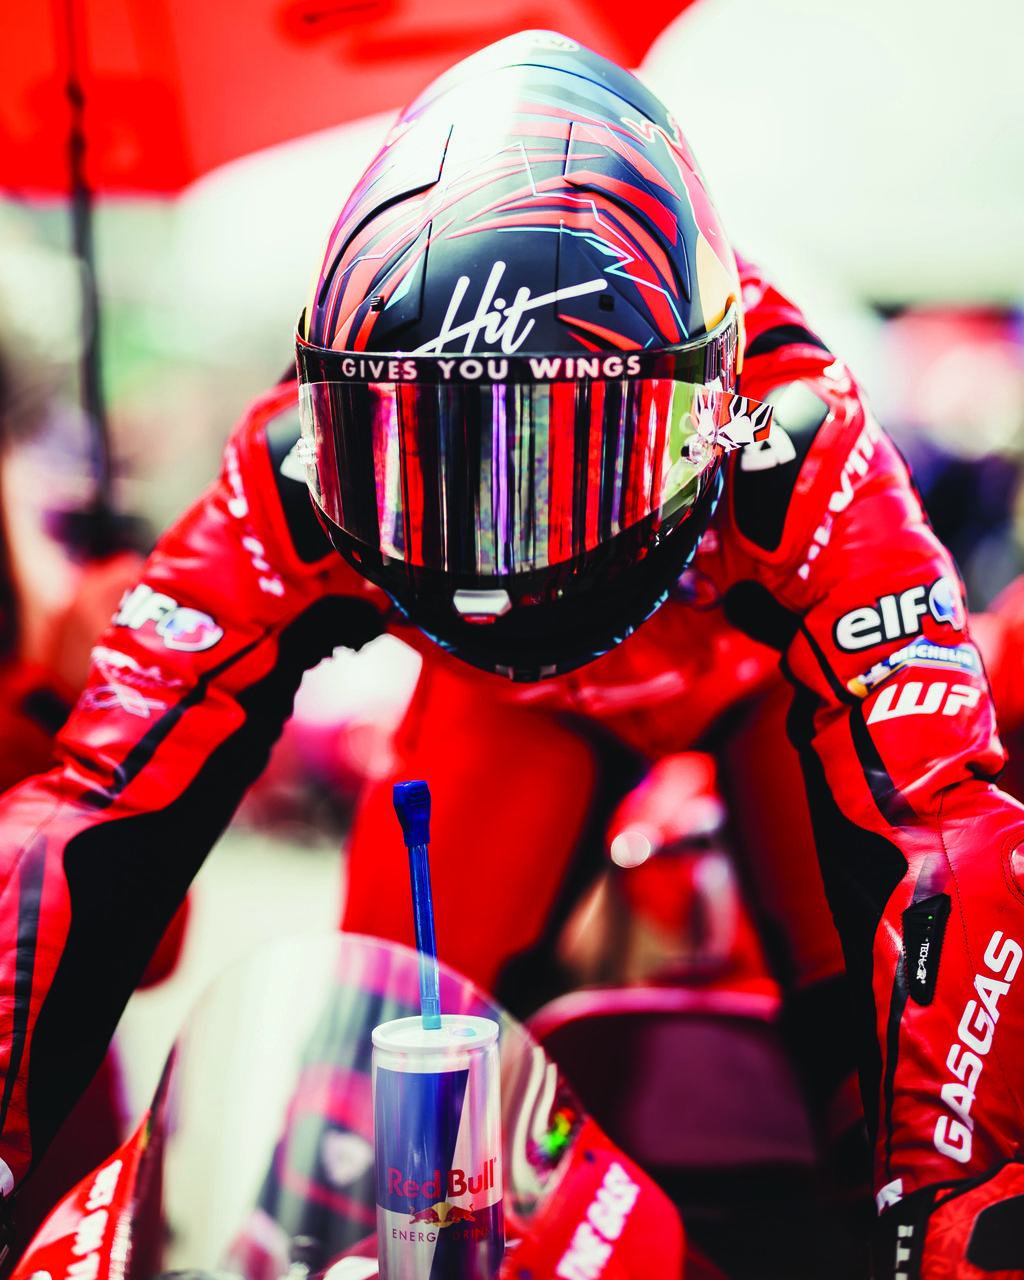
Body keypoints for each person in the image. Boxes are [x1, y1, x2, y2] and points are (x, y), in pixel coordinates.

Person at [0, 30, 1022, 1279]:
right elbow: (96, 799)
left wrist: (959, 1201)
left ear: (712, 408)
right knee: (368, 1119)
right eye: (436, 454)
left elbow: (943, 822)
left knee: (897, 1123)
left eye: (554, 454)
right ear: (334, 404)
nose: (498, 547)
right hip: (506, 709)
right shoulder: (293, 461)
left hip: (760, 700)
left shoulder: (797, 433)